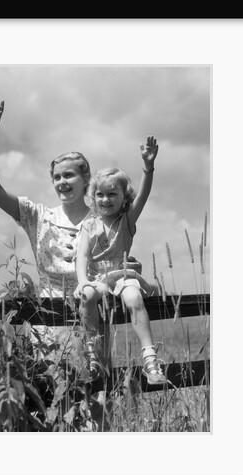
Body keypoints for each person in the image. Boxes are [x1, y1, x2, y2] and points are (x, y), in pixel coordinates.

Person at [0, 96, 92, 300]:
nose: (61, 182)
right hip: (47, 324)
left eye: (68, 175)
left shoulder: (101, 221)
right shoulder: (38, 217)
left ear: (86, 179)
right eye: (56, 177)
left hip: (92, 321)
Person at [74, 136, 167, 385]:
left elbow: (144, 194)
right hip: (97, 277)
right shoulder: (88, 225)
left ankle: (150, 359)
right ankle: (92, 354)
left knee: (134, 298)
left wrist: (148, 167)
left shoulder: (127, 219)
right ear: (93, 197)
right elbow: (82, 256)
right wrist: (83, 281)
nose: (106, 199)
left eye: (112, 194)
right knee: (88, 296)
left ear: (124, 198)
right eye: (100, 194)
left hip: (124, 275)